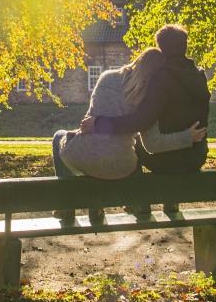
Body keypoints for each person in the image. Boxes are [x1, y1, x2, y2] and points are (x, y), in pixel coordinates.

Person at [51, 47, 206, 225]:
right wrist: (187, 137)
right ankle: (128, 204)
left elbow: (90, 119)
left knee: (59, 137)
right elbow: (153, 144)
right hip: (121, 167)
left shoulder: (107, 77)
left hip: (82, 157)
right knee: (126, 146)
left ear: (138, 60)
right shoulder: (149, 98)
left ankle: (66, 206)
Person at [81, 24, 211, 215]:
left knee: (133, 145)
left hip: (170, 160)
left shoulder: (161, 78)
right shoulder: (199, 75)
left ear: (161, 47)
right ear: (185, 46)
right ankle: (170, 200)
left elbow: (140, 121)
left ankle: (137, 200)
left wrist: (99, 123)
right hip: (196, 156)